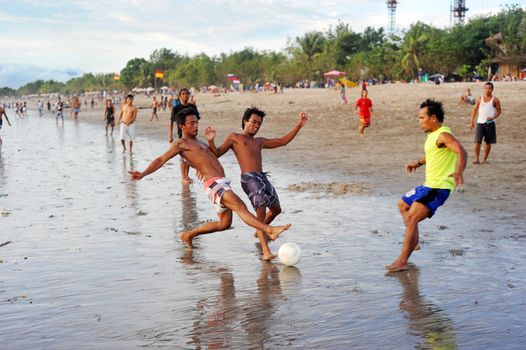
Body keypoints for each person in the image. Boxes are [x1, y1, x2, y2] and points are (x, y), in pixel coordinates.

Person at [129, 108, 291, 250]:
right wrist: (143, 173)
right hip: (214, 185)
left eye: (196, 122)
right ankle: (269, 230)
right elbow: (161, 159)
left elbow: (213, 155)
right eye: (191, 123)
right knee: (240, 206)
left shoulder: (199, 142)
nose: (195, 126)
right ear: (182, 126)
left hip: (221, 182)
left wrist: (211, 141)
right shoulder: (180, 144)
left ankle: (188, 235)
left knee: (224, 224)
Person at [208, 106, 308, 260]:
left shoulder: (259, 141)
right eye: (253, 122)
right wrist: (211, 141)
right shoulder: (235, 137)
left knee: (276, 209)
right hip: (249, 179)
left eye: (259, 124)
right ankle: (266, 251)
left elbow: (282, 141)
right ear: (245, 121)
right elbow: (216, 153)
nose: (256, 126)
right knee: (259, 214)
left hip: (262, 178)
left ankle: (259, 231)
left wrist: (299, 125)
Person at [386, 99, 467, 273]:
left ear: (433, 118)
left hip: (438, 187)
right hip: (427, 185)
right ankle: (414, 241)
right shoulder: (433, 137)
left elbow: (461, 150)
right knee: (402, 205)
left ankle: (402, 261)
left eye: (422, 117)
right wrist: (417, 163)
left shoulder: (443, 135)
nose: (419, 121)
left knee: (413, 217)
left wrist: (459, 172)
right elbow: (432, 154)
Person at [170, 88, 198, 184]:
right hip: (181, 134)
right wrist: (170, 134)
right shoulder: (176, 107)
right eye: (183, 94)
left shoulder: (192, 107)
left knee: (189, 155)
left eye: (187, 94)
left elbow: (196, 119)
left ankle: (187, 174)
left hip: (192, 135)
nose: (185, 95)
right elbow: (171, 121)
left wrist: (195, 129)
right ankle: (183, 176)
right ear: (180, 96)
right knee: (183, 155)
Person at [469, 82, 502, 164]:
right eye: (486, 88)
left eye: (489, 88)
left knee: (488, 142)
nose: (487, 90)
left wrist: (493, 117)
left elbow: (499, 111)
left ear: (492, 89)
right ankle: (476, 159)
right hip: (480, 123)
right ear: (484, 89)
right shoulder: (480, 98)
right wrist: (471, 121)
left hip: (490, 123)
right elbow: (475, 109)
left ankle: (484, 159)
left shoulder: (495, 100)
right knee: (477, 141)